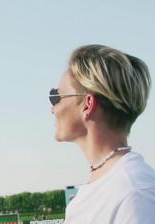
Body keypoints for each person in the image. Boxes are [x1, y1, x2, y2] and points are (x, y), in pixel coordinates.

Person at [49, 44, 155, 223]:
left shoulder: (134, 194)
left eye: (56, 96)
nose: (53, 109)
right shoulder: (113, 187)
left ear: (87, 104)